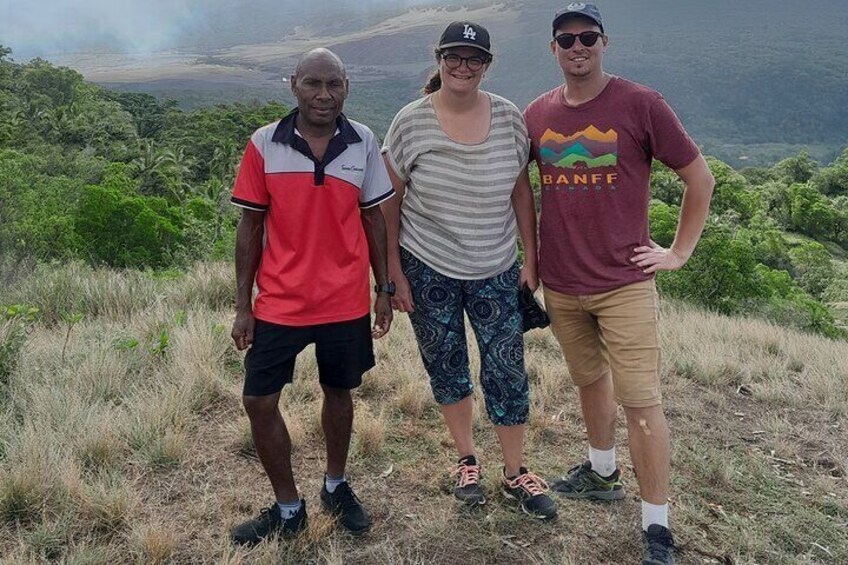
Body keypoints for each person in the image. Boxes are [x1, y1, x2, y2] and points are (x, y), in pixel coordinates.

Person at [524, 4, 715, 564]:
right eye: (566, 39)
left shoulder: (641, 104)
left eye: (587, 37)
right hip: (561, 283)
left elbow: (698, 178)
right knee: (589, 382)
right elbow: (522, 192)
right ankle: (603, 472)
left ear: (605, 43)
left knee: (641, 402)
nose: (577, 46)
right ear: (552, 48)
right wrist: (531, 263)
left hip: (624, 283)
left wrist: (678, 252)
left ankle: (657, 527)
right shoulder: (537, 113)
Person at [381, 21, 556, 520]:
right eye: (454, 57)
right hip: (427, 263)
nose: (463, 66)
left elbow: (521, 189)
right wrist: (394, 269)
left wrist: (531, 256)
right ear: (438, 60)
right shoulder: (411, 121)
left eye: (474, 58)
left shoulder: (508, 118)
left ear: (487, 65)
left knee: (506, 367)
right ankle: (466, 460)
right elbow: (390, 199)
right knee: (447, 363)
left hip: (496, 265)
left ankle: (516, 470)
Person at [228, 48, 395, 545]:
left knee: (339, 393)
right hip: (279, 301)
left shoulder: (363, 141)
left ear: (347, 87)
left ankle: (335, 486)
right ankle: (287, 508)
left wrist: (383, 288)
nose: (323, 95)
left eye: (334, 85)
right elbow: (250, 226)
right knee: (258, 400)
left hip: (345, 301)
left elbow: (373, 220)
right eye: (313, 84)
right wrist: (243, 306)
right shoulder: (264, 144)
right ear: (293, 85)